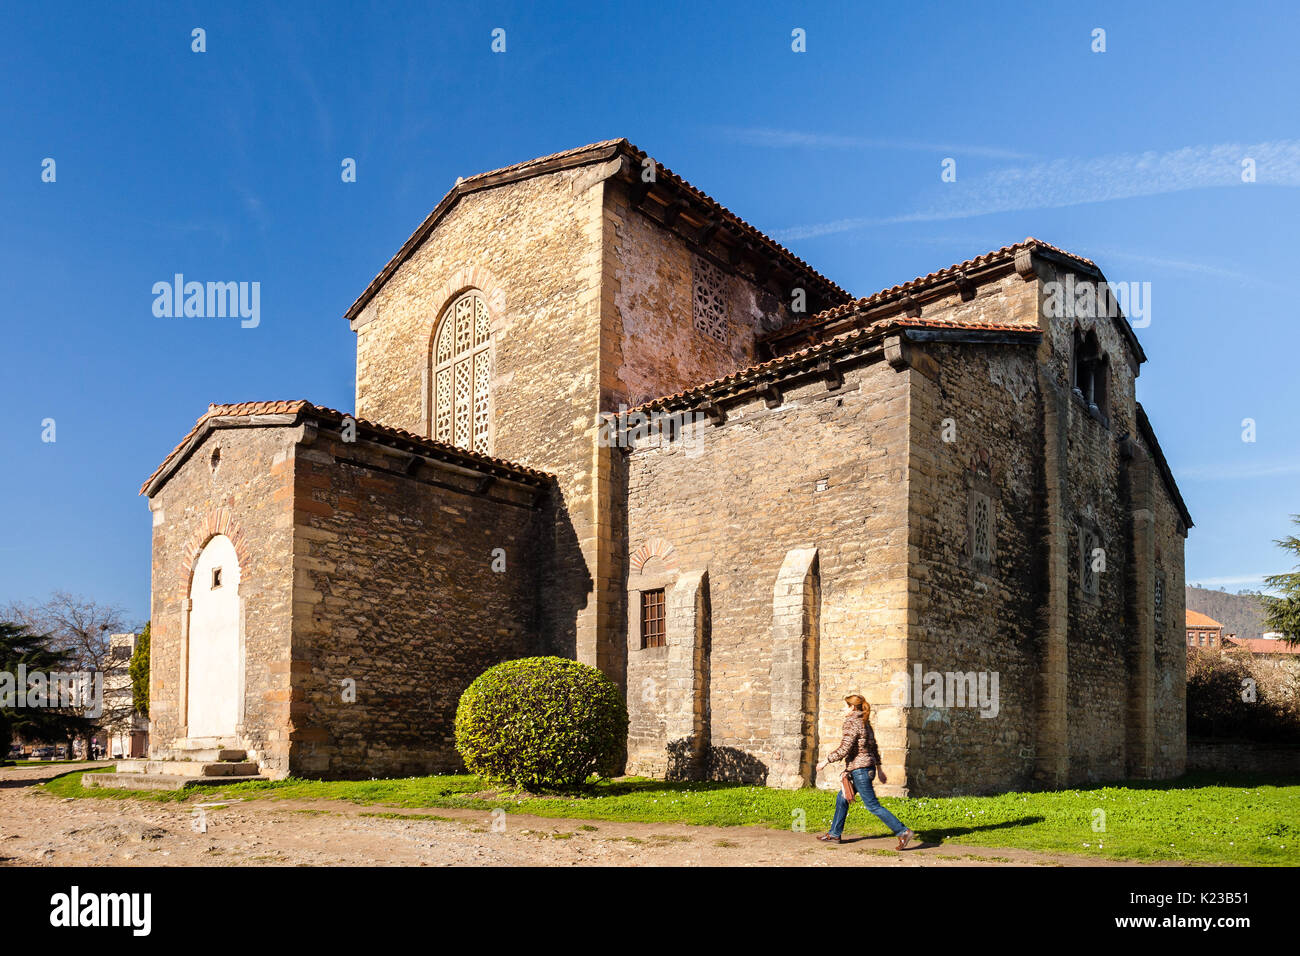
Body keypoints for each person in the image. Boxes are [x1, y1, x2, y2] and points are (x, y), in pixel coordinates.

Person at [815, 694, 915, 849]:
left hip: (860, 771)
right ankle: (834, 834)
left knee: (872, 806)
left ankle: (903, 831)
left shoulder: (852, 722)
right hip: (866, 769)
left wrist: (825, 761)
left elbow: (845, 748)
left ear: (852, 707)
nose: (843, 709)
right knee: (842, 798)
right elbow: (873, 747)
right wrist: (879, 769)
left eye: (845, 706)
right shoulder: (865, 722)